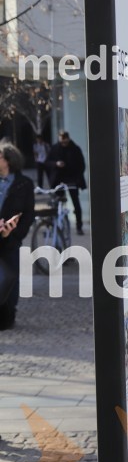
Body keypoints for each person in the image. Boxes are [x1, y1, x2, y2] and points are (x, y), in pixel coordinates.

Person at [0, 141, 35, 330]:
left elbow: (29, 213)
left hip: (11, 238)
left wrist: (16, 234)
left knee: (10, 278)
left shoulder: (24, 184)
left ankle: (7, 316)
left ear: (8, 161)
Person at [45, 130, 86, 235]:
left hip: (72, 180)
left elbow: (81, 165)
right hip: (59, 180)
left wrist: (77, 179)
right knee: (56, 203)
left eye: (65, 141)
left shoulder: (75, 149)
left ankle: (79, 226)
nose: (63, 144)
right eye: (62, 141)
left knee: (76, 203)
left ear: (68, 139)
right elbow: (47, 163)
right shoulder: (55, 149)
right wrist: (56, 164)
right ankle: (52, 226)